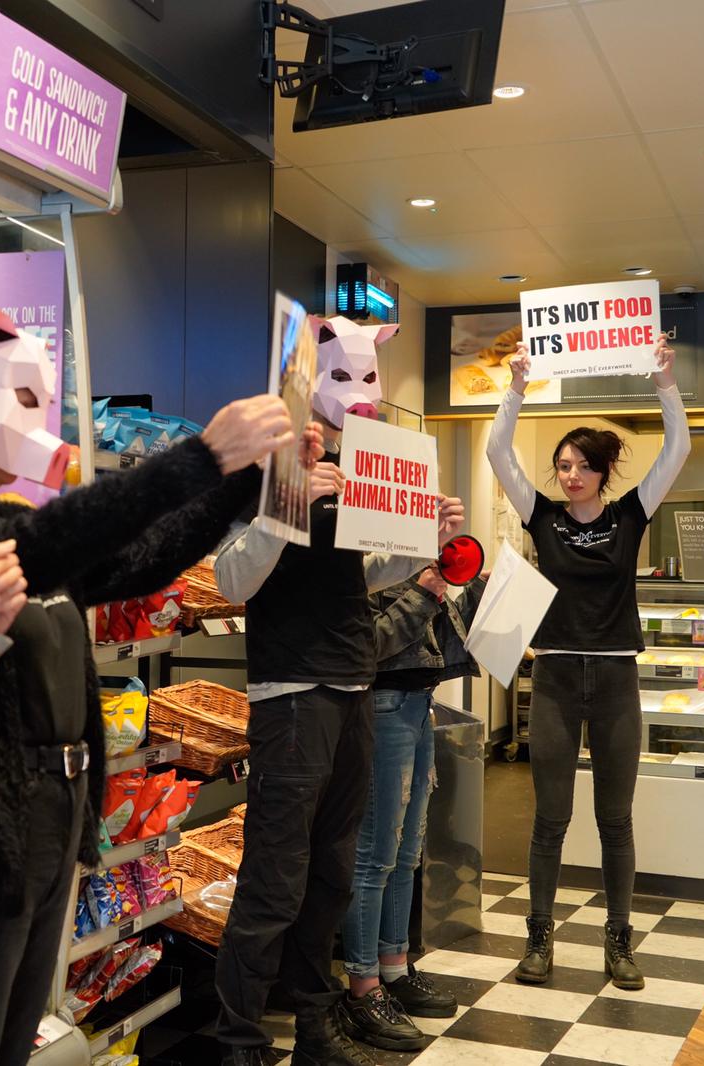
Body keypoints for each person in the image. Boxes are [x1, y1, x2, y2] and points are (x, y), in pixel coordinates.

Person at [0, 317, 320, 1066]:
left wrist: (247, 475)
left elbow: (140, 560)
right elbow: (41, 550)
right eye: (14, 396)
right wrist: (201, 458)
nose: (32, 423)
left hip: (51, 827)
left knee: (8, 1041)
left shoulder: (17, 523)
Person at [211, 313, 465, 1066]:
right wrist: (287, 505)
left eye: (366, 378)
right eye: (340, 375)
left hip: (355, 682)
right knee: (276, 876)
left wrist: (430, 538)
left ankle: (315, 1026)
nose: (357, 394)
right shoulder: (261, 465)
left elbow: (368, 574)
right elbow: (231, 579)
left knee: (330, 873)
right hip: (291, 692)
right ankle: (240, 1041)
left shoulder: (363, 470)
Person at [487, 337, 687, 992]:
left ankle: (619, 941)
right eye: (563, 465)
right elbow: (496, 452)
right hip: (554, 679)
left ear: (603, 471)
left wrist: (664, 382)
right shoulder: (540, 517)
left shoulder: (632, 515)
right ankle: (539, 937)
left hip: (614, 679)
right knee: (549, 817)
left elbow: (678, 450)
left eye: (581, 466)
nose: (569, 475)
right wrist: (515, 387)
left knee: (615, 818)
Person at [338, 564, 482, 1052]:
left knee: (406, 852)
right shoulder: (361, 559)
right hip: (383, 705)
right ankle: (362, 987)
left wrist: (469, 593)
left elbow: (429, 638)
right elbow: (370, 645)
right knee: (375, 854)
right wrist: (422, 592)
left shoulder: (407, 556)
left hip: (418, 704)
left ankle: (394, 969)